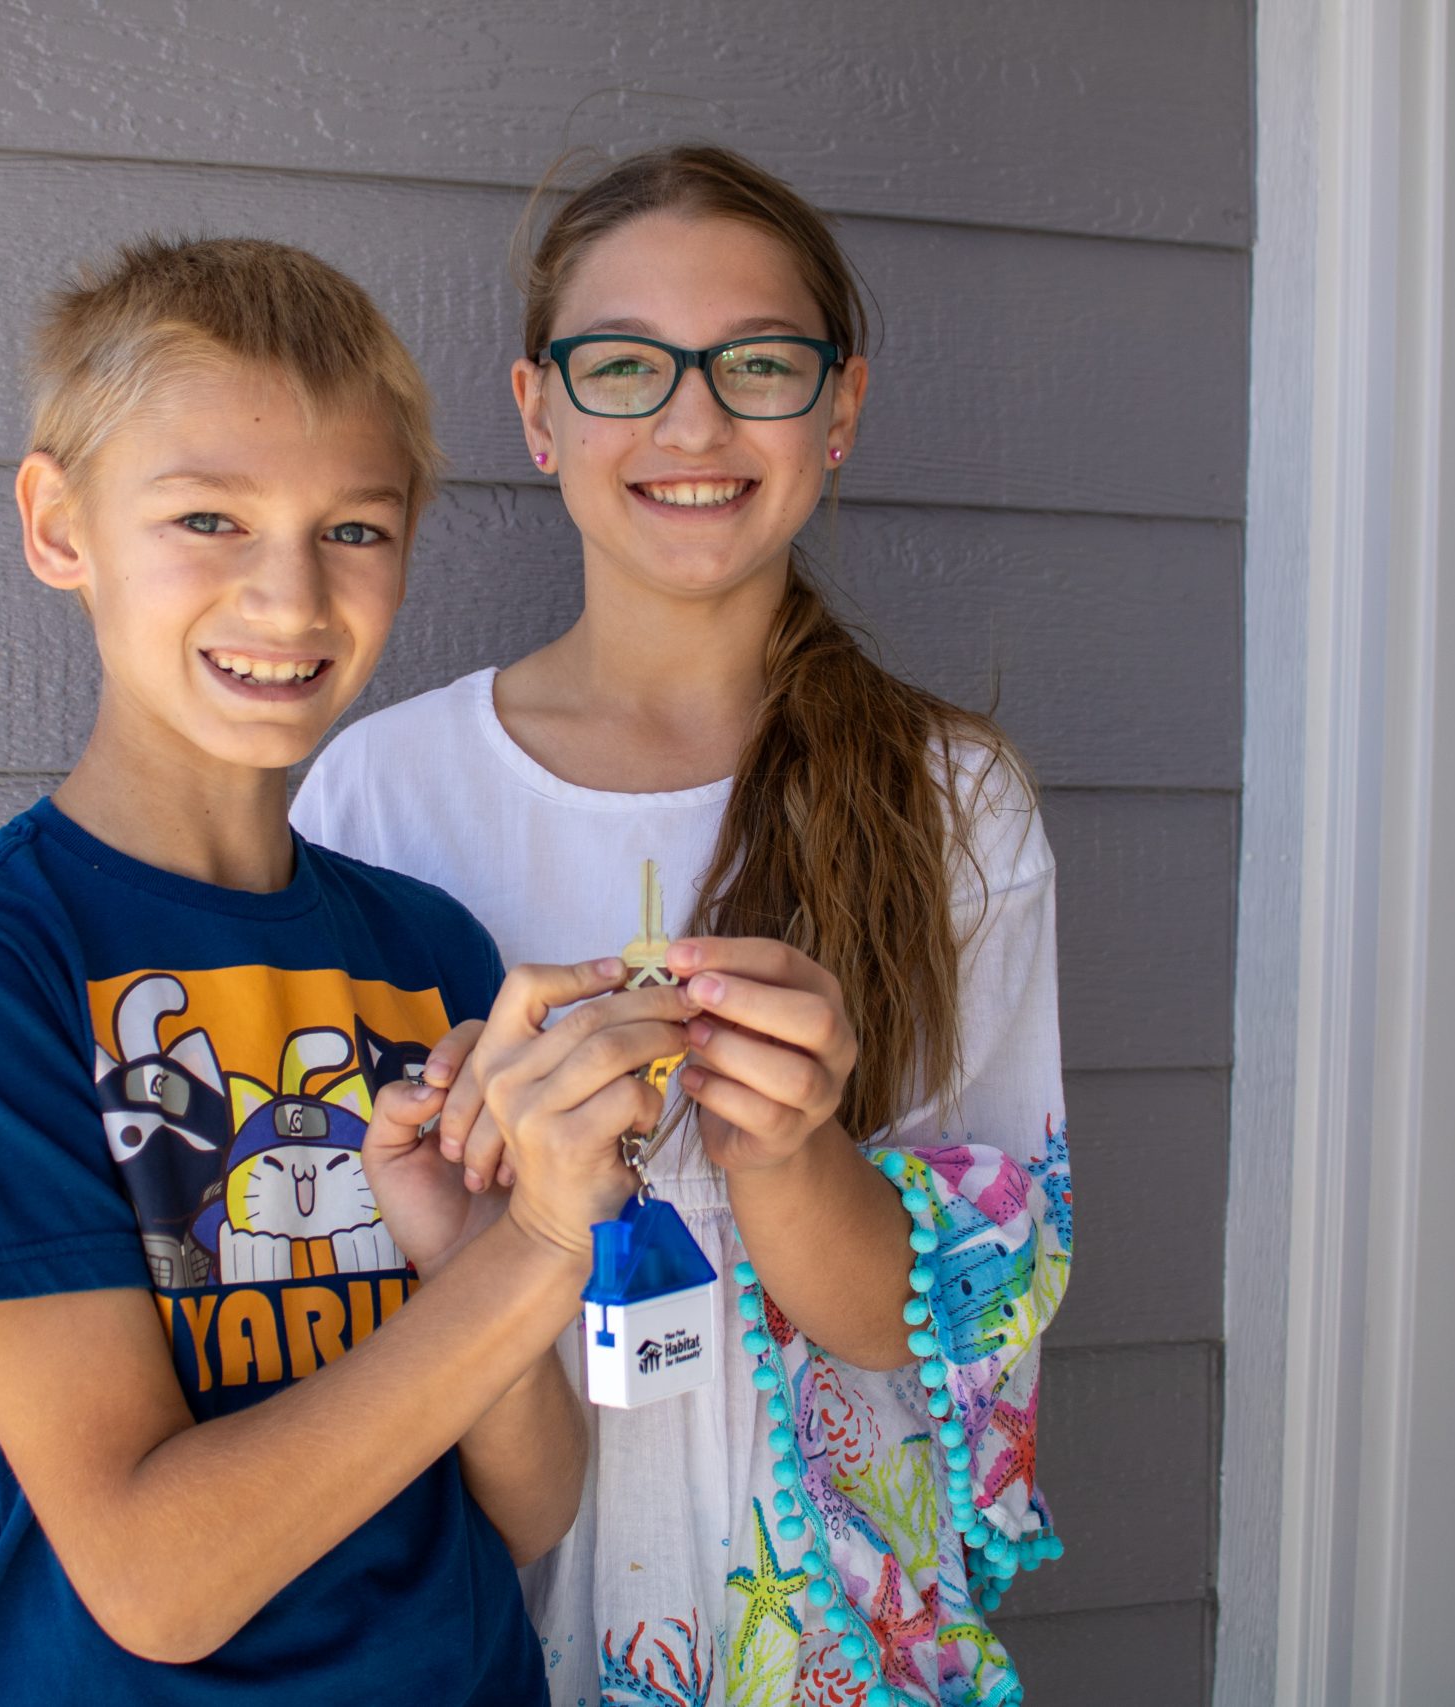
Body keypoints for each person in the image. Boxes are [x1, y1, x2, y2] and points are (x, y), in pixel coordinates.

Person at [0, 235, 688, 1703]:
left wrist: (477, 1242)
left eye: (353, 531)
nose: (292, 599)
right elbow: (156, 1583)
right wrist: (541, 1252)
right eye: (209, 520)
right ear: (60, 527)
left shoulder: (426, 949)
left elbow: (535, 1502)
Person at [292, 146, 1073, 1706]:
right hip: (484, 1594)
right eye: (626, 365)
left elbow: (938, 1332)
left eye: (760, 364)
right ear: (539, 411)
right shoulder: (384, 793)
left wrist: (793, 1152)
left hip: (817, 1634)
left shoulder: (952, 800)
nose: (694, 419)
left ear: (837, 411)